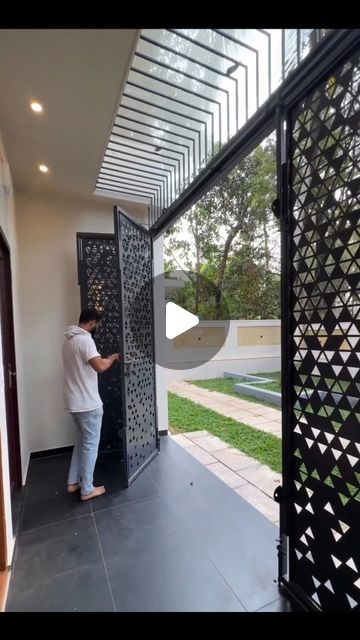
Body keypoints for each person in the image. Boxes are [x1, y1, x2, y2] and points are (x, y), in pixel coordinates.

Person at [61, 308, 120, 501]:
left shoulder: (68, 341)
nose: (98, 327)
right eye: (98, 324)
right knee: (90, 446)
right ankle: (86, 489)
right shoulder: (85, 340)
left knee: (81, 443)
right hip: (88, 404)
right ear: (93, 322)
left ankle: (72, 483)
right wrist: (112, 358)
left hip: (73, 402)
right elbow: (100, 366)